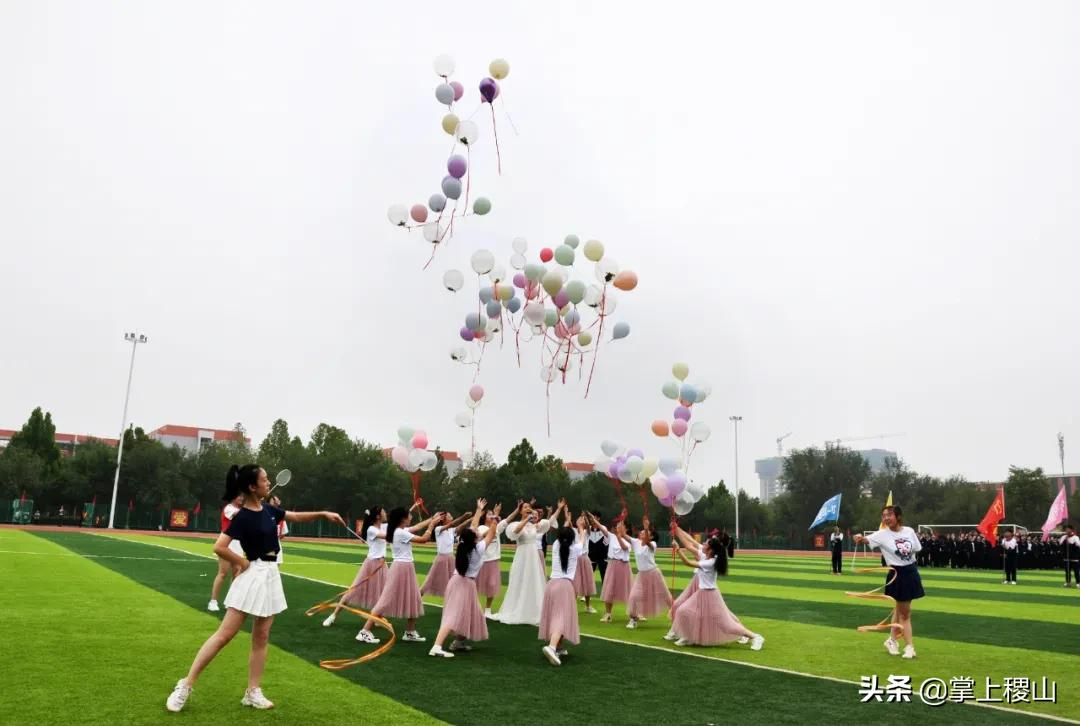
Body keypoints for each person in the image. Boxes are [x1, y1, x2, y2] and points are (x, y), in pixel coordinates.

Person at [166, 464, 344, 712]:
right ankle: (185, 685)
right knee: (224, 635)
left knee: (261, 637)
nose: (268, 482)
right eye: (264, 479)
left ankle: (253, 691)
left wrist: (324, 513)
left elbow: (295, 516)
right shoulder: (243, 517)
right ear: (252, 486)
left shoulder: (270, 509)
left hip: (271, 575)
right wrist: (241, 562)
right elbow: (219, 547)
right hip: (253, 574)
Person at [356, 503, 443, 644]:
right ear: (403, 519)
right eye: (408, 515)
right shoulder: (399, 532)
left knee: (414, 598)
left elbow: (416, 528)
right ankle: (364, 631)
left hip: (406, 567)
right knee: (385, 600)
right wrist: (432, 525)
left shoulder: (398, 530)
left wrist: (432, 519)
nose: (411, 517)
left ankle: (409, 632)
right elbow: (423, 540)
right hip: (401, 568)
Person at [853, 505, 923, 659]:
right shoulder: (882, 534)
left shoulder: (909, 531)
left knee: (900, 610)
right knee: (905, 614)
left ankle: (892, 641)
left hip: (910, 572)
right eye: (883, 516)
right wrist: (858, 537)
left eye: (889, 515)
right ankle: (909, 646)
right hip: (896, 574)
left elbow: (917, 548)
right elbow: (865, 539)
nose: (885, 518)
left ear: (898, 516)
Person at [429, 500, 497, 658]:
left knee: (471, 614)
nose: (478, 534)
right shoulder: (478, 549)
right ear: (474, 539)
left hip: (459, 582)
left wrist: (479, 510)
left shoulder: (463, 546)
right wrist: (494, 520)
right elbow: (491, 533)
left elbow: (473, 527)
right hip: (464, 584)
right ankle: (436, 646)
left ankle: (458, 642)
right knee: (452, 616)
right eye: (476, 535)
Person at [670, 536, 763, 650]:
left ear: (711, 550)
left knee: (725, 624)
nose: (703, 545)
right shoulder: (707, 558)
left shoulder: (710, 562)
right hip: (703, 593)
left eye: (706, 544)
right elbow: (691, 549)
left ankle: (755, 637)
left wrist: (678, 549)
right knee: (683, 611)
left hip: (710, 595)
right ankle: (688, 637)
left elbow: (688, 563)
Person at [497, 500, 564, 625]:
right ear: (520, 510)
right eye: (525, 507)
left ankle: (534, 610)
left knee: (534, 579)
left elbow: (547, 523)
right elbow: (515, 532)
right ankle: (517, 609)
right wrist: (526, 519)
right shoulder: (517, 524)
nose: (528, 509)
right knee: (520, 579)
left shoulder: (536, 525)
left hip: (533, 554)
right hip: (522, 554)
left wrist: (556, 510)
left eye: (529, 507)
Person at [322, 506, 388, 627]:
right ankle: (333, 615)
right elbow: (390, 535)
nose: (385, 513)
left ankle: (378, 617)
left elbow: (399, 528)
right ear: (378, 516)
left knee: (383, 592)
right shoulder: (371, 530)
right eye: (383, 512)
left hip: (382, 565)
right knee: (352, 591)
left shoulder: (383, 526)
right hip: (371, 564)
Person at [538, 506, 586, 666]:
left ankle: (557, 646)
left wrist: (567, 518)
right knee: (561, 617)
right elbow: (581, 538)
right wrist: (581, 527)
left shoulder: (558, 544)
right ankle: (552, 647)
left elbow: (565, 532)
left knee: (554, 615)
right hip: (564, 586)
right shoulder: (576, 547)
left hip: (551, 584)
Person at [626, 516, 672, 629]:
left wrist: (646, 527)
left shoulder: (653, 545)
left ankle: (677, 618)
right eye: (641, 532)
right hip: (641, 575)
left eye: (644, 532)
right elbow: (623, 535)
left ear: (651, 536)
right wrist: (622, 521)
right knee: (633, 597)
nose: (641, 533)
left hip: (654, 573)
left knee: (666, 597)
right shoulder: (636, 542)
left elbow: (647, 542)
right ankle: (633, 619)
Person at [591, 513, 632, 623]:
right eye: (617, 525)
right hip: (613, 564)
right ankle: (608, 614)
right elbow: (602, 528)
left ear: (626, 528)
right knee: (609, 589)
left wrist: (619, 536)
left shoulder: (629, 540)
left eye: (621, 525)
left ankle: (635, 613)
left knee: (629, 590)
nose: (618, 526)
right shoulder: (612, 536)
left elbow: (624, 547)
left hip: (624, 566)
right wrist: (594, 520)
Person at [420, 511, 473, 597]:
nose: (451, 516)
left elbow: (461, 526)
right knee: (430, 580)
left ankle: (454, 600)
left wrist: (471, 519)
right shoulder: (438, 529)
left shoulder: (451, 530)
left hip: (451, 558)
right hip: (441, 559)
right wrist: (463, 516)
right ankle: (418, 596)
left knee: (456, 579)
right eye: (449, 516)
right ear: (444, 520)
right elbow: (452, 524)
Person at [208, 494, 244, 612]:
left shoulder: (241, 510)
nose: (241, 498)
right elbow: (237, 515)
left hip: (239, 543)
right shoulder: (229, 508)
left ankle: (230, 601)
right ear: (233, 497)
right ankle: (213, 601)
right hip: (226, 543)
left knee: (236, 574)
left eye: (243, 496)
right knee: (223, 573)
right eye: (239, 496)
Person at [477, 503, 515, 618]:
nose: (491, 516)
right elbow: (486, 534)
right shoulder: (481, 527)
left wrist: (517, 509)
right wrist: (496, 516)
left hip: (494, 561)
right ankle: (474, 607)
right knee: (475, 586)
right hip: (483, 561)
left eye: (492, 514)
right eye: (489, 514)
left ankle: (487, 610)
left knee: (492, 585)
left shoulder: (496, 526)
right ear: (484, 517)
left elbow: (507, 520)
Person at [571, 512, 598, 613]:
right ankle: (572, 607)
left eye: (582, 519)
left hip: (585, 558)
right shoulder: (573, 531)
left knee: (587, 582)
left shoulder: (586, 531)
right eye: (579, 519)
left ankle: (588, 606)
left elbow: (588, 527)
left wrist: (586, 518)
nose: (581, 520)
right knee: (574, 583)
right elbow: (568, 524)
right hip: (575, 559)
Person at [587, 510, 609, 584]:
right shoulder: (589, 529)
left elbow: (606, 536)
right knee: (588, 579)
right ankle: (586, 595)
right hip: (591, 558)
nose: (592, 519)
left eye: (594, 517)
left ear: (598, 518)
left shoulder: (603, 528)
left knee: (605, 579)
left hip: (602, 558)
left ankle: (606, 595)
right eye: (591, 517)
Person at [269, 495, 288, 564]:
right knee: (268, 565)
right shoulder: (263, 513)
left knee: (277, 564)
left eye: (276, 500)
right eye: (273, 500)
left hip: (276, 544)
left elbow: (283, 534)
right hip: (265, 545)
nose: (275, 502)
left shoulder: (281, 516)